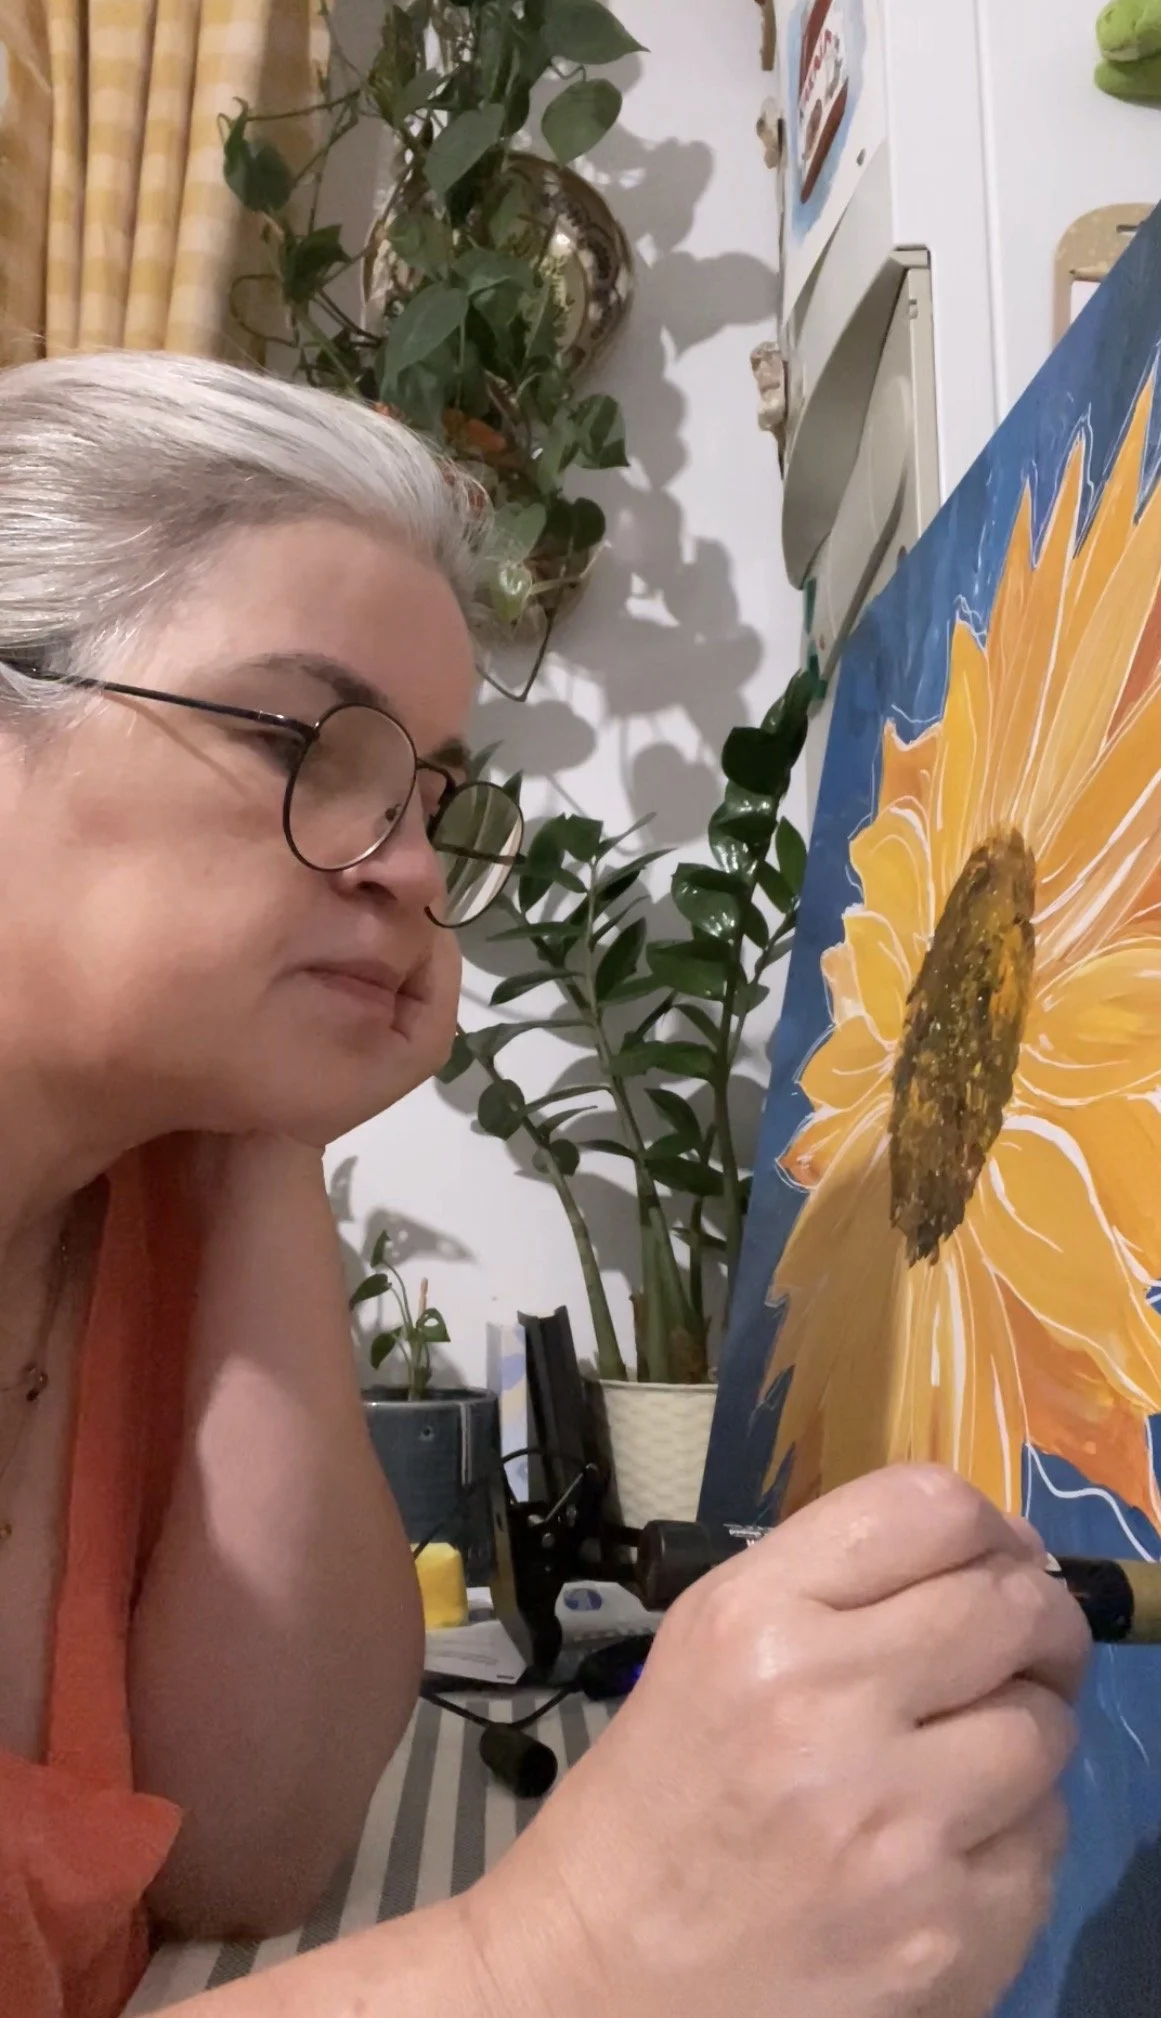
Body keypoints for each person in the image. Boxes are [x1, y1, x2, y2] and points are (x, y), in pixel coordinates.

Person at [0, 349, 1089, 2018]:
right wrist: (562, 1956)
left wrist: (270, 1136)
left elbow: (249, 1839)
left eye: (428, 793)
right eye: (313, 741)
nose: (419, 867)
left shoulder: (143, 1198)